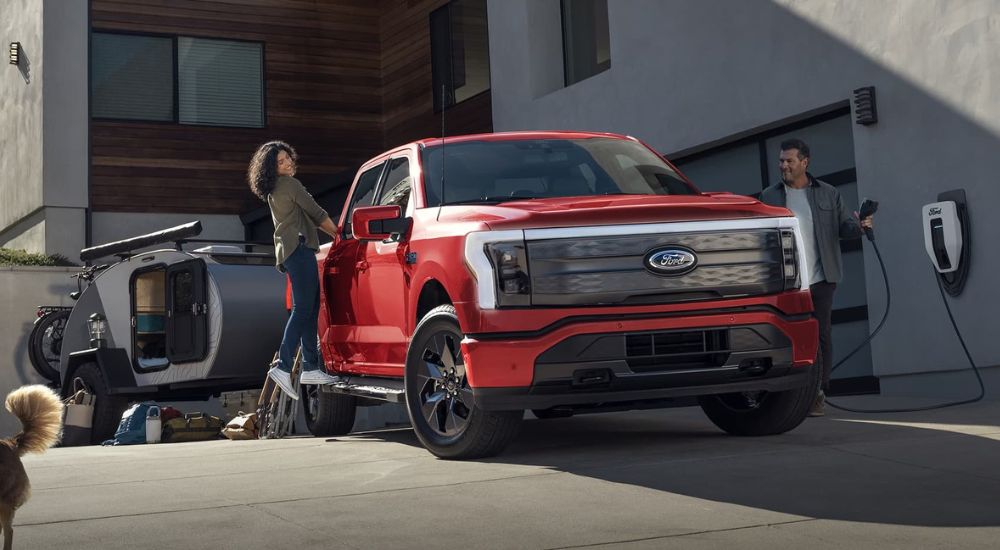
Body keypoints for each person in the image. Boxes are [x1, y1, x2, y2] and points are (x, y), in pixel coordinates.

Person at [760, 139, 874, 417]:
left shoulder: (828, 193)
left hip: (821, 278)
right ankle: (787, 393)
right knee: (785, 335)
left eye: (789, 161)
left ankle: (818, 393)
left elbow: (844, 227)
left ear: (804, 162)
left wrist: (860, 226)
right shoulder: (769, 196)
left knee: (821, 335)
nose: (783, 165)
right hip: (787, 283)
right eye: (781, 161)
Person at [247, 141, 340, 399]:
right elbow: (316, 212)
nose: (287, 164)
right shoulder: (290, 185)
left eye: (288, 158)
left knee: (309, 307)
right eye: (280, 162)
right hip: (298, 250)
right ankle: (283, 365)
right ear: (272, 168)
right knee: (303, 308)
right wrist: (339, 234)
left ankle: (311, 366)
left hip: (290, 252)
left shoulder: (274, 190)